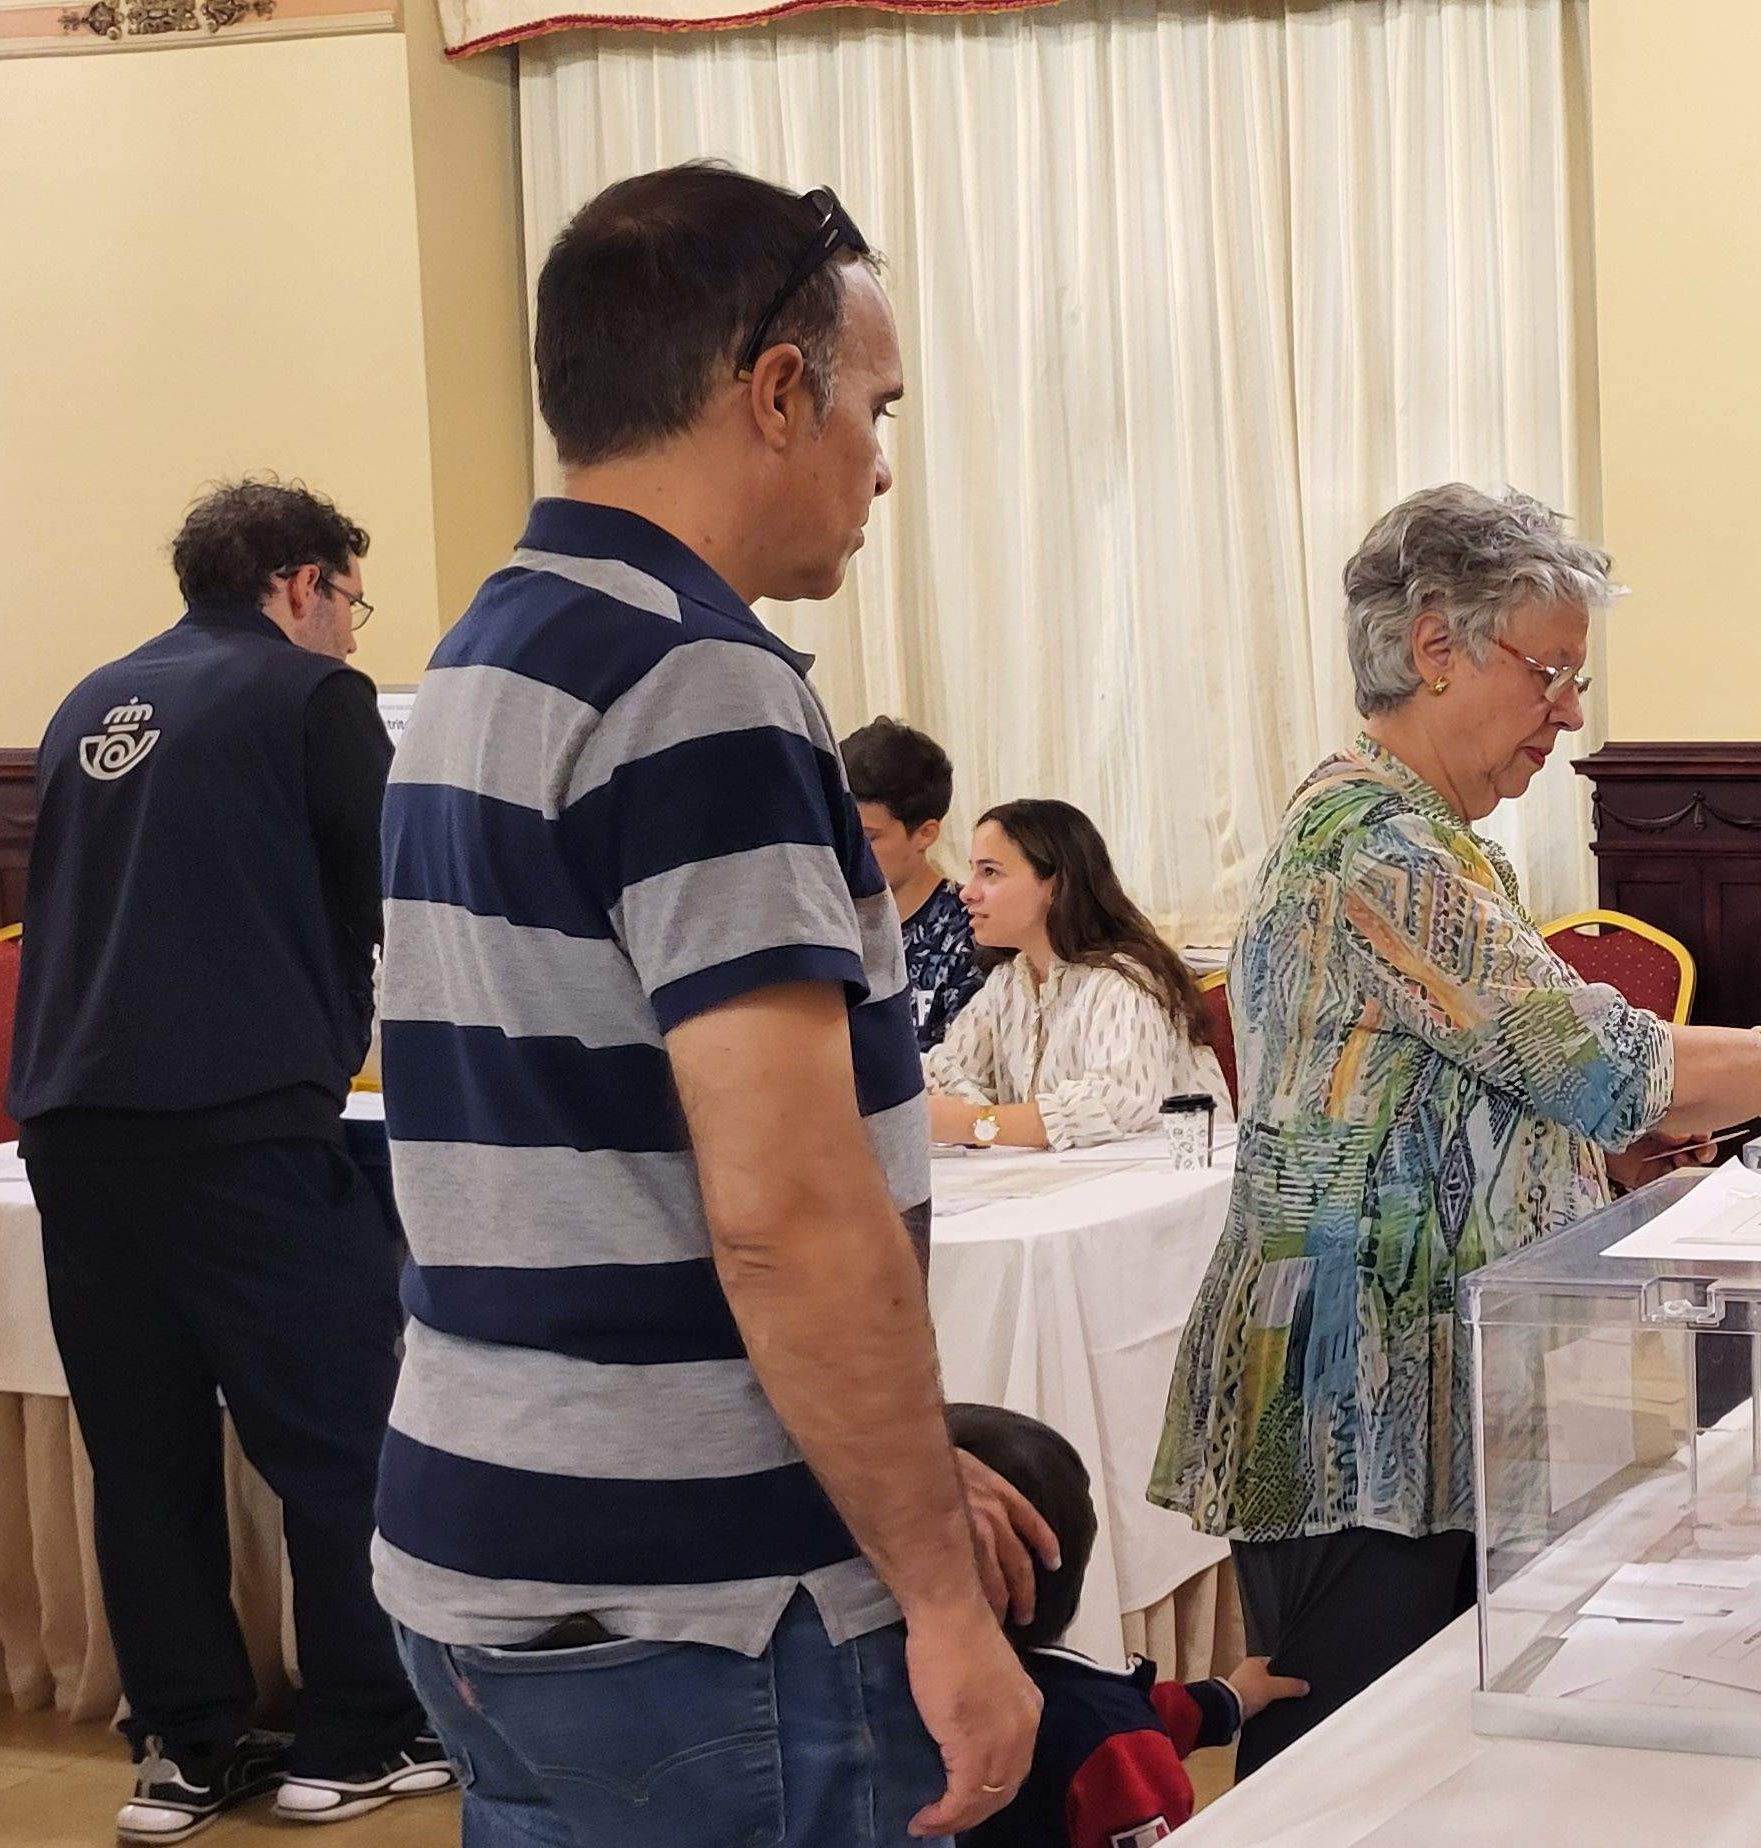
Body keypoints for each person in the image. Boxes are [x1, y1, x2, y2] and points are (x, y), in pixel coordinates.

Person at [375, 162, 1055, 1846]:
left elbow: (603, 1157)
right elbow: (785, 1214)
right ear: (774, 391)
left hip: (488, 1532)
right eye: (870, 406)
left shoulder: (485, 654)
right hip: (699, 1593)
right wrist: (941, 1602)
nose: (880, 459)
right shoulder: (700, 680)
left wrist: (889, 1472)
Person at [1151, 483, 1761, 1770]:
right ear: (1436, 648)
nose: (1573, 715)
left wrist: (1588, 1158)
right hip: (1354, 1401)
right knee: (1359, 1771)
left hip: (1436, 1378)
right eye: (1550, 673)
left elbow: (1485, 1082)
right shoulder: (1372, 844)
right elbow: (1595, 1058)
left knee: (1451, 1757)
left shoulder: (1432, 835)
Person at [6, 478, 445, 1839]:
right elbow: (404, 882)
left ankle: (186, 1747)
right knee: (330, 1441)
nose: (353, 629)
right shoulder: (308, 698)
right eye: (352, 600)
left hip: (75, 1130)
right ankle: (357, 1734)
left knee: (142, 1453)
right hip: (241, 1119)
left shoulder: (92, 700)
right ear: (301, 582)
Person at [943, 1405, 1301, 1848]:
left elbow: (1150, 1713)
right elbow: (1124, 1732)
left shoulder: (877, 1696)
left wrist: (1232, 1699)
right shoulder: (1104, 1735)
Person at [923, 798, 1230, 1149]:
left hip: (1164, 1187)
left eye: (990, 872)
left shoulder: (1124, 981)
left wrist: (976, 1124)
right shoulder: (1008, 983)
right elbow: (946, 1079)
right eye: (973, 870)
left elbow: (1112, 1107)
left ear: (1055, 886)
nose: (967, 892)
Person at [846, 717, 989, 1048]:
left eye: (867, 838)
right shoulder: (829, 926)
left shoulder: (972, 935)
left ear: (926, 833)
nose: (846, 854)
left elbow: (967, 1077)